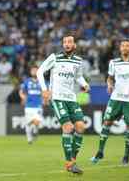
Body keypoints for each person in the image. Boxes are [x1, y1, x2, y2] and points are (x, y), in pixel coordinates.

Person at [37, 35, 90, 174]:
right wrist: (45, 90)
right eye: (65, 42)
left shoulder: (78, 61)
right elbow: (39, 71)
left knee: (80, 127)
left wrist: (84, 84)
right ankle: (69, 163)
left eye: (70, 42)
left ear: (74, 45)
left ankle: (72, 158)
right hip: (57, 97)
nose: (67, 44)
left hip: (72, 98)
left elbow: (78, 76)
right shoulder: (54, 57)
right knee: (68, 127)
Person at [91, 39, 129, 165]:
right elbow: (109, 79)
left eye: (127, 46)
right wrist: (109, 85)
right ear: (120, 49)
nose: (125, 48)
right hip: (116, 98)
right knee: (107, 123)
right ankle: (100, 152)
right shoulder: (113, 63)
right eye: (123, 46)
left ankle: (126, 157)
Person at [19, 64, 43, 144]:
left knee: (37, 122)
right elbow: (21, 92)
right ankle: (29, 139)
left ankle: (35, 130)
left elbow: (45, 92)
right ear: (30, 72)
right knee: (28, 123)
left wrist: (45, 99)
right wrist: (23, 97)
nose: (34, 72)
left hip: (38, 105)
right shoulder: (27, 81)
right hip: (29, 105)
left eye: (36, 70)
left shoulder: (41, 81)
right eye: (33, 70)